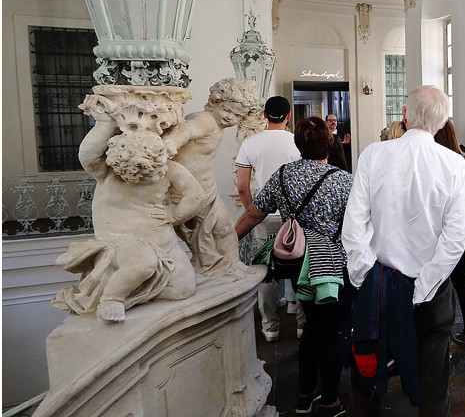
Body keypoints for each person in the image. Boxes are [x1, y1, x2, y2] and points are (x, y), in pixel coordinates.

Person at [342, 85, 465, 416]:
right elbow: (455, 239)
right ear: (442, 123)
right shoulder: (455, 164)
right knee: (433, 386)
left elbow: (354, 224)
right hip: (430, 291)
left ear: (404, 114)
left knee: (366, 379)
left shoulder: (374, 153)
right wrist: (423, 286)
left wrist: (364, 275)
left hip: (379, 283)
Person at [235, 116, 354, 417]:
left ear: (298, 144)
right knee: (334, 332)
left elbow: (254, 214)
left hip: (301, 265)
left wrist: (226, 242)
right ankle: (330, 399)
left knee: (314, 328)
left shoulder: (283, 175)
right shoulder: (343, 180)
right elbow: (360, 228)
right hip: (333, 267)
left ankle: (303, 396)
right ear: (329, 142)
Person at [52, 103, 205, 322]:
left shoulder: (167, 168)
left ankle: (137, 291)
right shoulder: (106, 171)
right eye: (135, 172)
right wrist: (105, 124)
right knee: (142, 263)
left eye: (149, 173)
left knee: (183, 288)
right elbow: (87, 155)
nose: (143, 177)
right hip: (122, 241)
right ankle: (112, 298)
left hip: (163, 242)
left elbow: (196, 196)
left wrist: (174, 215)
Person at [163, 78, 259, 275]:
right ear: (215, 101)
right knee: (195, 231)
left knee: (223, 227)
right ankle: (214, 264)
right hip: (185, 192)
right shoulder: (205, 121)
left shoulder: (217, 126)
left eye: (237, 115)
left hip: (206, 189)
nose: (230, 117)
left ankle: (230, 263)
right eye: (227, 110)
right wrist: (171, 142)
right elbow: (186, 130)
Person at [235, 96, 302, 343]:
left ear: (264, 115)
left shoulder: (250, 143)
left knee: (267, 267)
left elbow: (242, 186)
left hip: (265, 215)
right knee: (298, 262)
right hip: (295, 216)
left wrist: (254, 210)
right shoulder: (297, 142)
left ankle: (270, 325)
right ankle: (300, 321)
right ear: (288, 116)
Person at [434, 119, 465, 349]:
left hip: (440, 230)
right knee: (462, 281)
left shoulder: (437, 161)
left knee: (440, 283)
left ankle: (442, 336)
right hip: (462, 229)